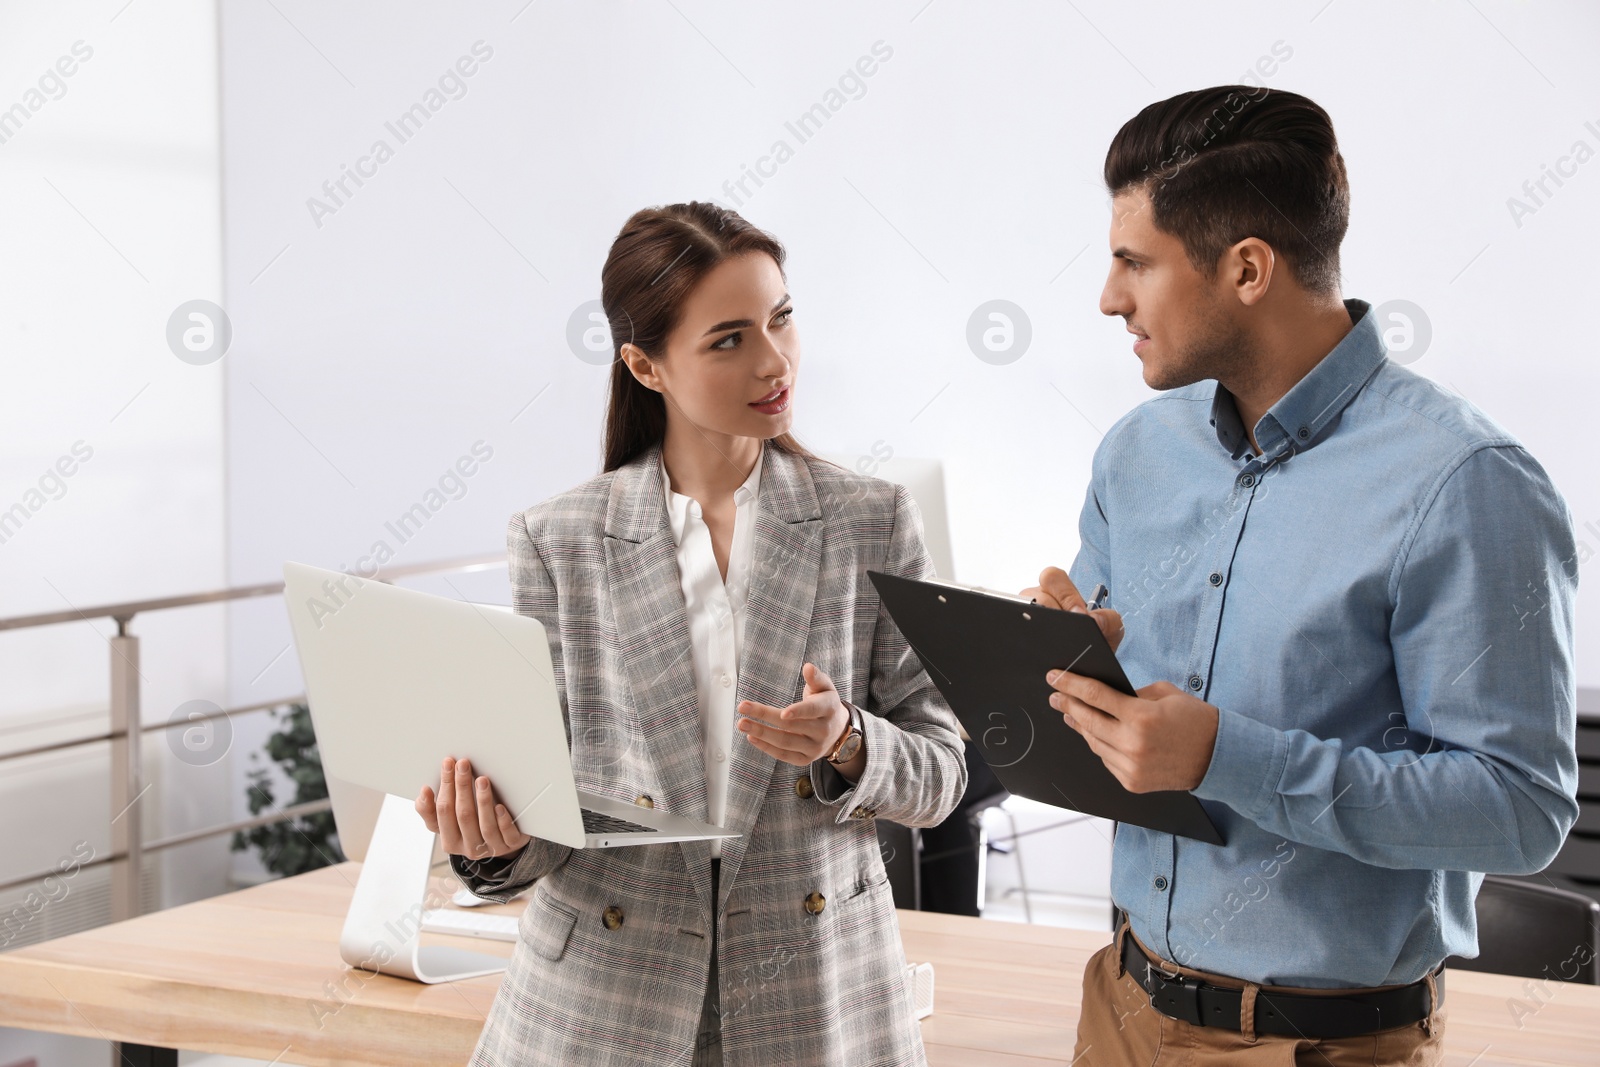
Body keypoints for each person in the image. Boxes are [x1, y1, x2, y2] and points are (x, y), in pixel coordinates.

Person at [1023, 86, 1580, 1065]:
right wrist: (1064, 666)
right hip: (1116, 1001)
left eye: (1133, 262)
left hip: (1315, 1045)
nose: (1109, 298)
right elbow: (1117, 732)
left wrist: (1226, 758)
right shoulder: (1137, 455)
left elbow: (1518, 808)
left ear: (1246, 268)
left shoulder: (1462, 483)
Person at [414, 200, 967, 1066]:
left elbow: (943, 770)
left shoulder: (873, 520)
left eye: (781, 318)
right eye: (729, 339)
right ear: (645, 364)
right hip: (604, 1002)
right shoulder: (557, 539)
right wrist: (491, 844)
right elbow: (553, 813)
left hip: (813, 1001)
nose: (775, 359)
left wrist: (851, 741)